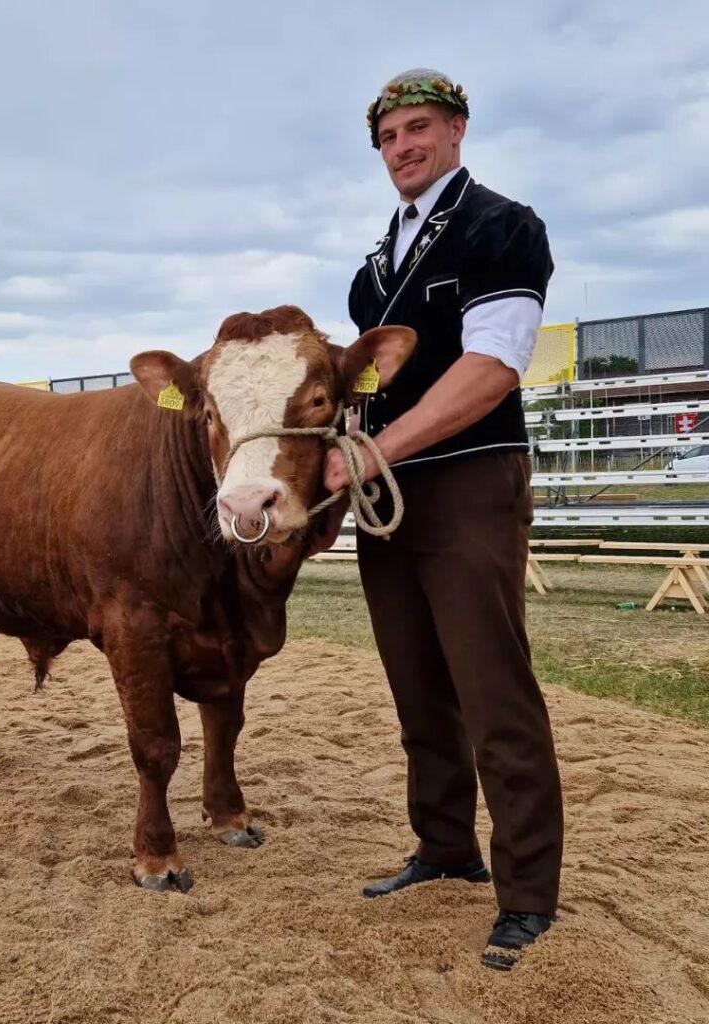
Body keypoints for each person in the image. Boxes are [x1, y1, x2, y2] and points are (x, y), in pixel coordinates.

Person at [326, 69, 564, 971]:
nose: (402, 149)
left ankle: (529, 893)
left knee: (494, 690)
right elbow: (370, 387)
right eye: (388, 138)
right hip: (390, 499)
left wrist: (377, 452)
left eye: (417, 129)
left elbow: (491, 370)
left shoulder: (501, 227)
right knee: (418, 685)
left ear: (458, 130)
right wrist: (349, 437)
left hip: (468, 482)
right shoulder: (374, 268)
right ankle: (445, 847)